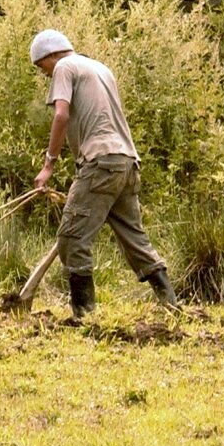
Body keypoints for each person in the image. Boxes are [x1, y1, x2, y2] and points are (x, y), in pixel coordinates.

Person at [30, 29, 180, 321]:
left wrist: (49, 164)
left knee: (72, 238)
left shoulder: (64, 66)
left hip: (99, 164)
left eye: (41, 67)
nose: (45, 75)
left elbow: (61, 114)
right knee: (134, 238)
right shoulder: (100, 68)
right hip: (126, 162)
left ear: (49, 55)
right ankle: (170, 303)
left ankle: (83, 316)